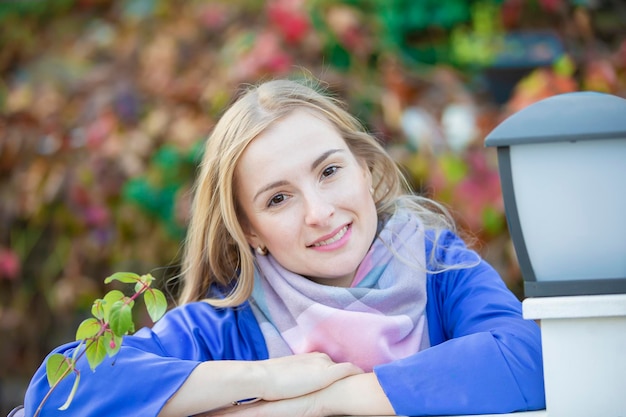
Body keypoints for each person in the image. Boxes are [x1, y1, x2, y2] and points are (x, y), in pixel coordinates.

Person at [23, 78, 545, 417]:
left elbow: (533, 359)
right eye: (278, 199)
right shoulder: (227, 324)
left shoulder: (438, 268)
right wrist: (265, 377)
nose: (319, 212)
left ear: (363, 168)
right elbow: (56, 394)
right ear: (249, 230)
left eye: (330, 171)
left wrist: (325, 402)